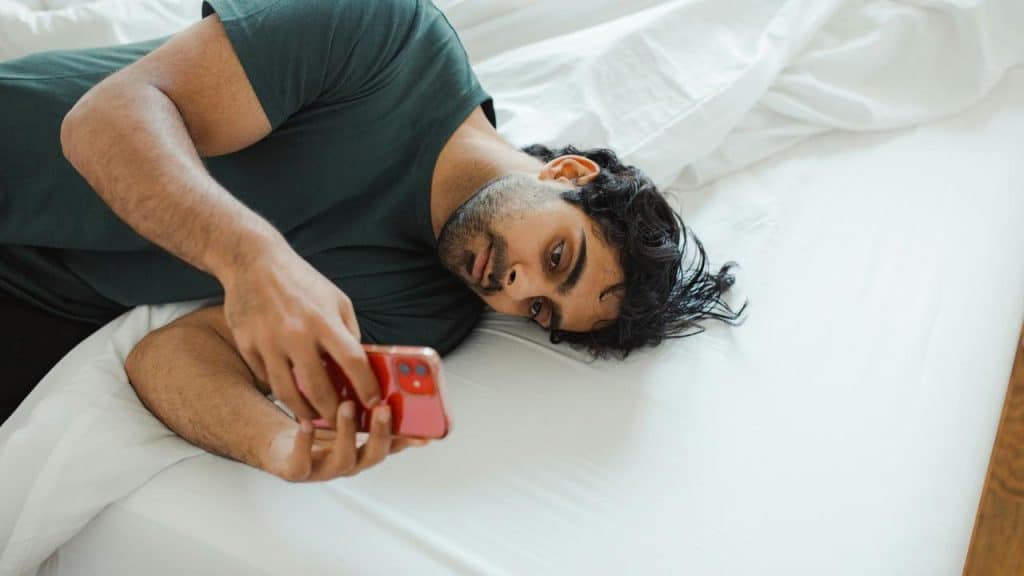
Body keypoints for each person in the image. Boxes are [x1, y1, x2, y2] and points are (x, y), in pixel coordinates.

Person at [0, 0, 743, 481]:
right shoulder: (391, 41)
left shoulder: (426, 314)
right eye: (558, 258)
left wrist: (276, 445)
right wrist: (252, 258)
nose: (518, 289)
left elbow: (167, 356)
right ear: (568, 173)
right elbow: (102, 121)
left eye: (544, 309)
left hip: (43, 308)